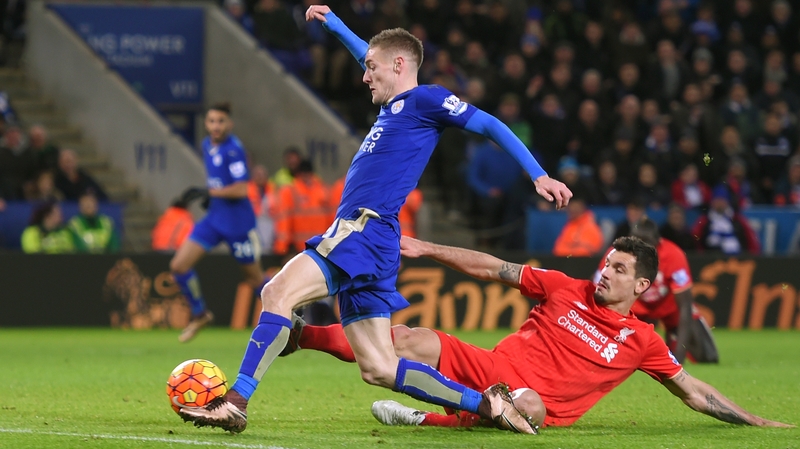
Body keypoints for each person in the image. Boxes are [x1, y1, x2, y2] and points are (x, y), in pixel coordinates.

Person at [178, 5, 571, 434]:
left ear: (399, 65)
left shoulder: (426, 99)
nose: (364, 75)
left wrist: (538, 174)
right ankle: (489, 404)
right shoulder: (397, 104)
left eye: (371, 68)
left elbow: (491, 124)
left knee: (277, 292)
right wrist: (335, 25)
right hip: (376, 239)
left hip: (363, 228)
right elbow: (371, 51)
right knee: (381, 367)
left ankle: (235, 402)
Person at [281, 236, 792, 431]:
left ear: (640, 284)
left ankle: (422, 418)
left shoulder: (644, 342)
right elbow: (493, 268)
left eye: (617, 268)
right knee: (411, 338)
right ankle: (300, 336)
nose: (604, 271)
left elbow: (694, 390)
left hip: (535, 401)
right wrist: (427, 248)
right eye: (605, 262)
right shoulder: (564, 287)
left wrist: (755, 421)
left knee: (530, 409)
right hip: (495, 367)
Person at [169, 103, 265, 343]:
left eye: (220, 121)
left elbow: (242, 189)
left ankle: (290, 319)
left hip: (238, 224)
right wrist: (211, 196)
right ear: (206, 123)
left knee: (255, 280)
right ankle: (200, 314)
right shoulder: (206, 145)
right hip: (215, 219)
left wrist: (210, 193)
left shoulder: (233, 150)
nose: (215, 126)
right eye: (211, 121)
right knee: (179, 265)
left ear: (229, 124)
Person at [595, 218, 718, 364]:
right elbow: (599, 291)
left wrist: (679, 356)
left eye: (647, 243)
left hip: (669, 310)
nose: (643, 249)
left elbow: (685, 305)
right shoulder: (616, 254)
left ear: (658, 241)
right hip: (633, 311)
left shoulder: (673, 254)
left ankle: (673, 337)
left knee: (708, 357)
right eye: (638, 243)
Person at [272, 159, 331, 256]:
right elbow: (284, 221)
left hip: (320, 247)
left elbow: (330, 219)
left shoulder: (323, 190)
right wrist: (281, 247)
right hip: (298, 247)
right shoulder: (291, 191)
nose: (306, 176)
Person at [692, 185, 760, 255]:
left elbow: (751, 240)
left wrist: (753, 256)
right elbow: (695, 238)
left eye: (722, 200)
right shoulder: (704, 220)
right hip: (711, 260)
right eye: (717, 200)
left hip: (738, 261)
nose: (719, 203)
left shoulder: (738, 219)